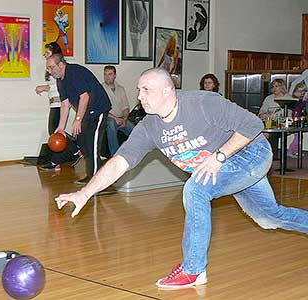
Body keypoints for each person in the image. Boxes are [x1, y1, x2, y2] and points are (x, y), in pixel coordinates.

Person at [55, 68, 308, 290]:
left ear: (168, 90)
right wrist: (84, 193)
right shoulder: (149, 127)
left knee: (195, 189)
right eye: (138, 90)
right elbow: (119, 163)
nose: (140, 96)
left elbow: (253, 125)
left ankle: (193, 270)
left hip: (252, 153)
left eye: (146, 89)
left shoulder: (202, 103)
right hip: (227, 168)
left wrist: (218, 157)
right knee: (269, 218)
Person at [46, 54, 111, 185]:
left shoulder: (74, 72)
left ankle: (96, 181)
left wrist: (78, 119)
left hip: (98, 110)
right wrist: (61, 128)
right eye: (48, 68)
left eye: (52, 67)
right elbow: (65, 104)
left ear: (61, 64)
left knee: (92, 145)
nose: (50, 71)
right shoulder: (60, 81)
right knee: (82, 142)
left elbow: (84, 96)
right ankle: (93, 175)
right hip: (86, 112)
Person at [35, 42, 81, 170]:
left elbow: (59, 84)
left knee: (54, 132)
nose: (45, 54)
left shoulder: (58, 67)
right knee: (55, 131)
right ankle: (65, 156)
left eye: (48, 52)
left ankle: (71, 151)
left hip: (60, 102)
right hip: (54, 103)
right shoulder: (50, 67)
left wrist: (44, 87)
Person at [102, 65, 134, 156]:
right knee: (111, 123)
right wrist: (116, 119)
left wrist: (124, 118)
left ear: (115, 75)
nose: (107, 77)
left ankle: (132, 153)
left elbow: (125, 107)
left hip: (121, 118)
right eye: (105, 74)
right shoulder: (100, 89)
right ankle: (115, 155)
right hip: (108, 118)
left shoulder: (121, 89)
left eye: (110, 74)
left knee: (134, 130)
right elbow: (103, 110)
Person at [258, 78, 289, 160]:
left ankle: (269, 155)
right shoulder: (269, 98)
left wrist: (275, 116)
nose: (274, 88)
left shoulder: (288, 98)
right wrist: (263, 114)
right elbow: (262, 111)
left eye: (277, 86)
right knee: (259, 128)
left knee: (268, 132)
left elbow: (289, 115)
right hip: (269, 122)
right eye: (273, 86)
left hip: (282, 123)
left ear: (282, 87)